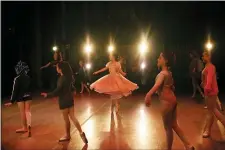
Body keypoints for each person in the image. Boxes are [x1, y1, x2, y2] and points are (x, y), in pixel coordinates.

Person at [145, 52, 195, 150]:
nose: (157, 59)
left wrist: (148, 94)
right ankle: (188, 145)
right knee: (174, 125)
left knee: (168, 128)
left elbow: (157, 85)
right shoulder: (169, 73)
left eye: (160, 58)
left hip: (166, 102)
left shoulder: (162, 74)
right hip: (173, 100)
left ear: (165, 61)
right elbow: (172, 87)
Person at [41, 61, 88, 143]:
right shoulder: (69, 77)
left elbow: (57, 91)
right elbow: (72, 88)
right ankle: (81, 133)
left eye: (57, 67)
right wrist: (73, 90)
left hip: (63, 100)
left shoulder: (61, 79)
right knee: (73, 117)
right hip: (70, 99)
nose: (56, 68)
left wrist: (47, 95)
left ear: (60, 69)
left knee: (66, 120)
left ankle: (67, 135)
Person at [201, 51, 225, 138]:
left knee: (212, 111)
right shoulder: (208, 66)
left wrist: (206, 89)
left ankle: (208, 131)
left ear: (209, 57)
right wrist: (203, 84)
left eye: (204, 56)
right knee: (211, 111)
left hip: (210, 92)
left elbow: (210, 79)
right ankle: (208, 131)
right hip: (209, 91)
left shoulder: (211, 67)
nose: (203, 58)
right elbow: (206, 78)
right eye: (203, 56)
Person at [5, 61, 32, 137]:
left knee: (22, 112)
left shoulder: (17, 79)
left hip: (20, 97)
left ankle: (24, 127)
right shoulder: (28, 77)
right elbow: (31, 87)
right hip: (28, 95)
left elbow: (15, 90)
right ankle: (29, 125)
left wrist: (11, 101)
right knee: (27, 111)